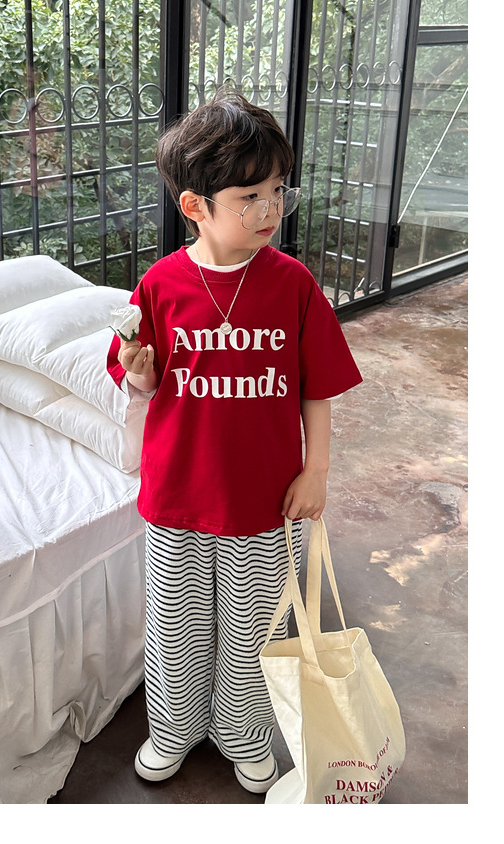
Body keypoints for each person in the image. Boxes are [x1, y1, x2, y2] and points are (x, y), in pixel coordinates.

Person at [106, 88, 362, 793]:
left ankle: (243, 732)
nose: (270, 209)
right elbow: (139, 380)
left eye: (278, 190)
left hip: (266, 499)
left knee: (255, 629)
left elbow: (316, 385)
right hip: (178, 494)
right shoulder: (160, 285)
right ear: (195, 205)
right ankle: (173, 729)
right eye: (250, 196)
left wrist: (317, 470)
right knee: (176, 625)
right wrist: (139, 368)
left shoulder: (293, 285)